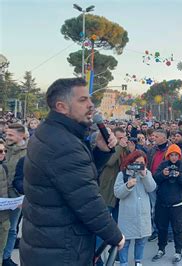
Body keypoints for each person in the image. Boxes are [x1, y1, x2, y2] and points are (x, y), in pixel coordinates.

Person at [20, 78, 125, 266]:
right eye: (83, 100)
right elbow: (87, 200)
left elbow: (76, 179)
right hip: (62, 250)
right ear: (61, 106)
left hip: (48, 244)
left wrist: (100, 152)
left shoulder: (52, 132)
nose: (91, 105)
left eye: (90, 99)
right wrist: (115, 236)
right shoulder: (63, 144)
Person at [114, 150, 156, 266]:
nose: (139, 165)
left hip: (142, 214)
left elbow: (152, 188)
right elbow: (117, 193)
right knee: (125, 241)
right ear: (131, 161)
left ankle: (138, 261)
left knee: (141, 240)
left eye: (142, 163)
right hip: (128, 215)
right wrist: (127, 186)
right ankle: (123, 262)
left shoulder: (146, 173)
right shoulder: (122, 174)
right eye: (137, 162)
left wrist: (145, 175)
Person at [152, 144, 182, 263]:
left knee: (177, 228)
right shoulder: (163, 165)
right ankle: (161, 249)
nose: (173, 157)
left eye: (176, 155)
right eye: (171, 155)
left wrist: (180, 175)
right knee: (161, 227)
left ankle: (178, 251)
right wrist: (163, 175)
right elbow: (155, 180)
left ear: (179, 156)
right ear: (168, 155)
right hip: (162, 202)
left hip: (178, 204)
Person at [3, 123, 27, 266]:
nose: (7, 137)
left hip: (15, 198)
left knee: (11, 229)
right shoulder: (4, 149)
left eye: (11, 135)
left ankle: (6, 257)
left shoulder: (29, 153)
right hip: (2, 194)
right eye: (6, 134)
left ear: (22, 136)